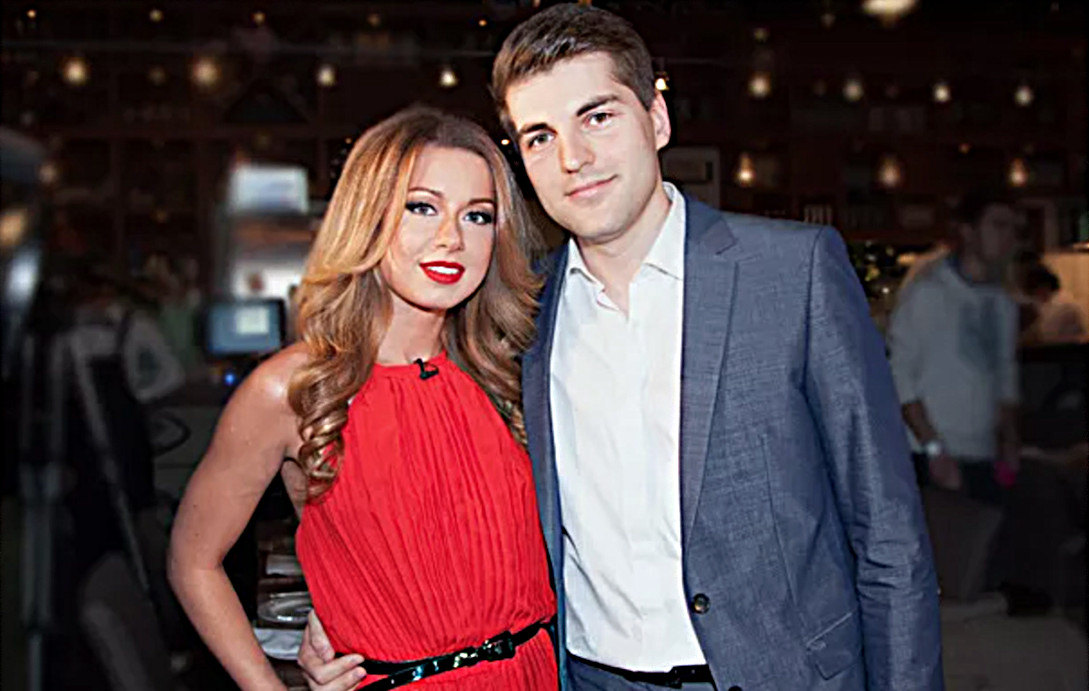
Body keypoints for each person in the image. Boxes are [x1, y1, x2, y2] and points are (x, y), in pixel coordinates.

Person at [301, 5, 941, 690]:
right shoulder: (514, 314)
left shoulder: (792, 272)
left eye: (597, 116)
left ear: (656, 119)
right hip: (589, 678)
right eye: (540, 136)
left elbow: (888, 537)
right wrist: (344, 601)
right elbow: (423, 483)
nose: (572, 158)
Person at [167, 107, 557, 691]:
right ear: (368, 215)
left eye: (477, 215)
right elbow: (193, 561)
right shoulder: (292, 389)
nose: (451, 238)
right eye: (421, 207)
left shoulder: (513, 370)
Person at [888, 189, 1022, 505]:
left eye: (1014, 228)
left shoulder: (1003, 303)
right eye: (998, 225)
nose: (1008, 236)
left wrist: (1009, 438)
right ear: (968, 231)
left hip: (984, 453)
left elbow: (1005, 376)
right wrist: (933, 448)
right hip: (930, 453)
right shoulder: (928, 294)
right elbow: (899, 376)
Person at [1021, 263, 1088, 343]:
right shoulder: (1048, 301)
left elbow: (1047, 336)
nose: (1034, 296)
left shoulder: (1061, 304)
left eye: (1034, 290)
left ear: (1044, 286)